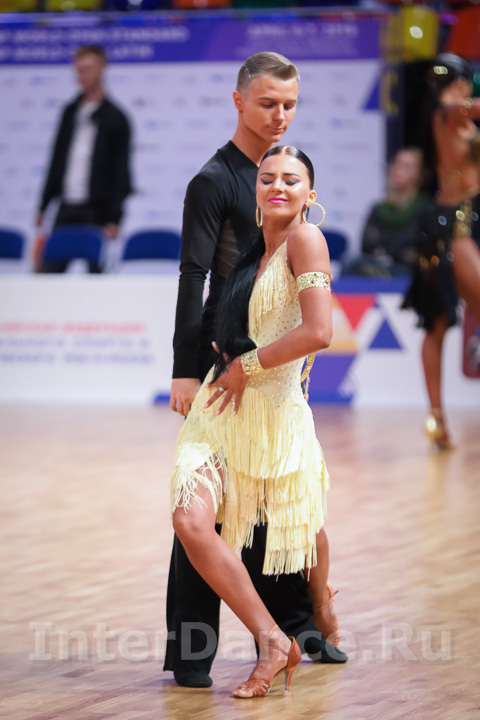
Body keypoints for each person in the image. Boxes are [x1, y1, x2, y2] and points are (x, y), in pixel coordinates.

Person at [166, 52, 346, 690]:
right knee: (206, 518)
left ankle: (306, 623)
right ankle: (201, 653)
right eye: (268, 103)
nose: (280, 115)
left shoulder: (297, 220)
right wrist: (187, 368)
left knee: (288, 514)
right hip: (223, 378)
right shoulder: (216, 182)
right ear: (239, 100)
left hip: (267, 379)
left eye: (289, 104)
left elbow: (318, 327)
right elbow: (194, 276)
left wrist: (259, 362)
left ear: (307, 192)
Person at [403, 53, 480, 449]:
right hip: (450, 228)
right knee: (436, 323)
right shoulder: (448, 113)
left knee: (440, 324)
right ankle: (436, 416)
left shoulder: (456, 116)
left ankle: (438, 419)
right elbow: (465, 108)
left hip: (467, 222)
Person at [35, 45, 132, 273]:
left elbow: (121, 172)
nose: (82, 76)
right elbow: (57, 160)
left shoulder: (116, 118)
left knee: (97, 277)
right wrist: (43, 204)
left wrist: (114, 217)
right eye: (79, 70)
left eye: (88, 69)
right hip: (66, 206)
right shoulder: (69, 112)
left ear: (102, 69)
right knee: (48, 273)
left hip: (97, 210)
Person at [348, 148, 429, 277]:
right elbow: (367, 244)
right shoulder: (378, 209)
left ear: (419, 175)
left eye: (406, 166)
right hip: (378, 265)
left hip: (408, 270)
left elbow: (416, 246)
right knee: (351, 262)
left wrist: (389, 247)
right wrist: (396, 249)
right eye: (396, 164)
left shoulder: (425, 208)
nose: (397, 170)